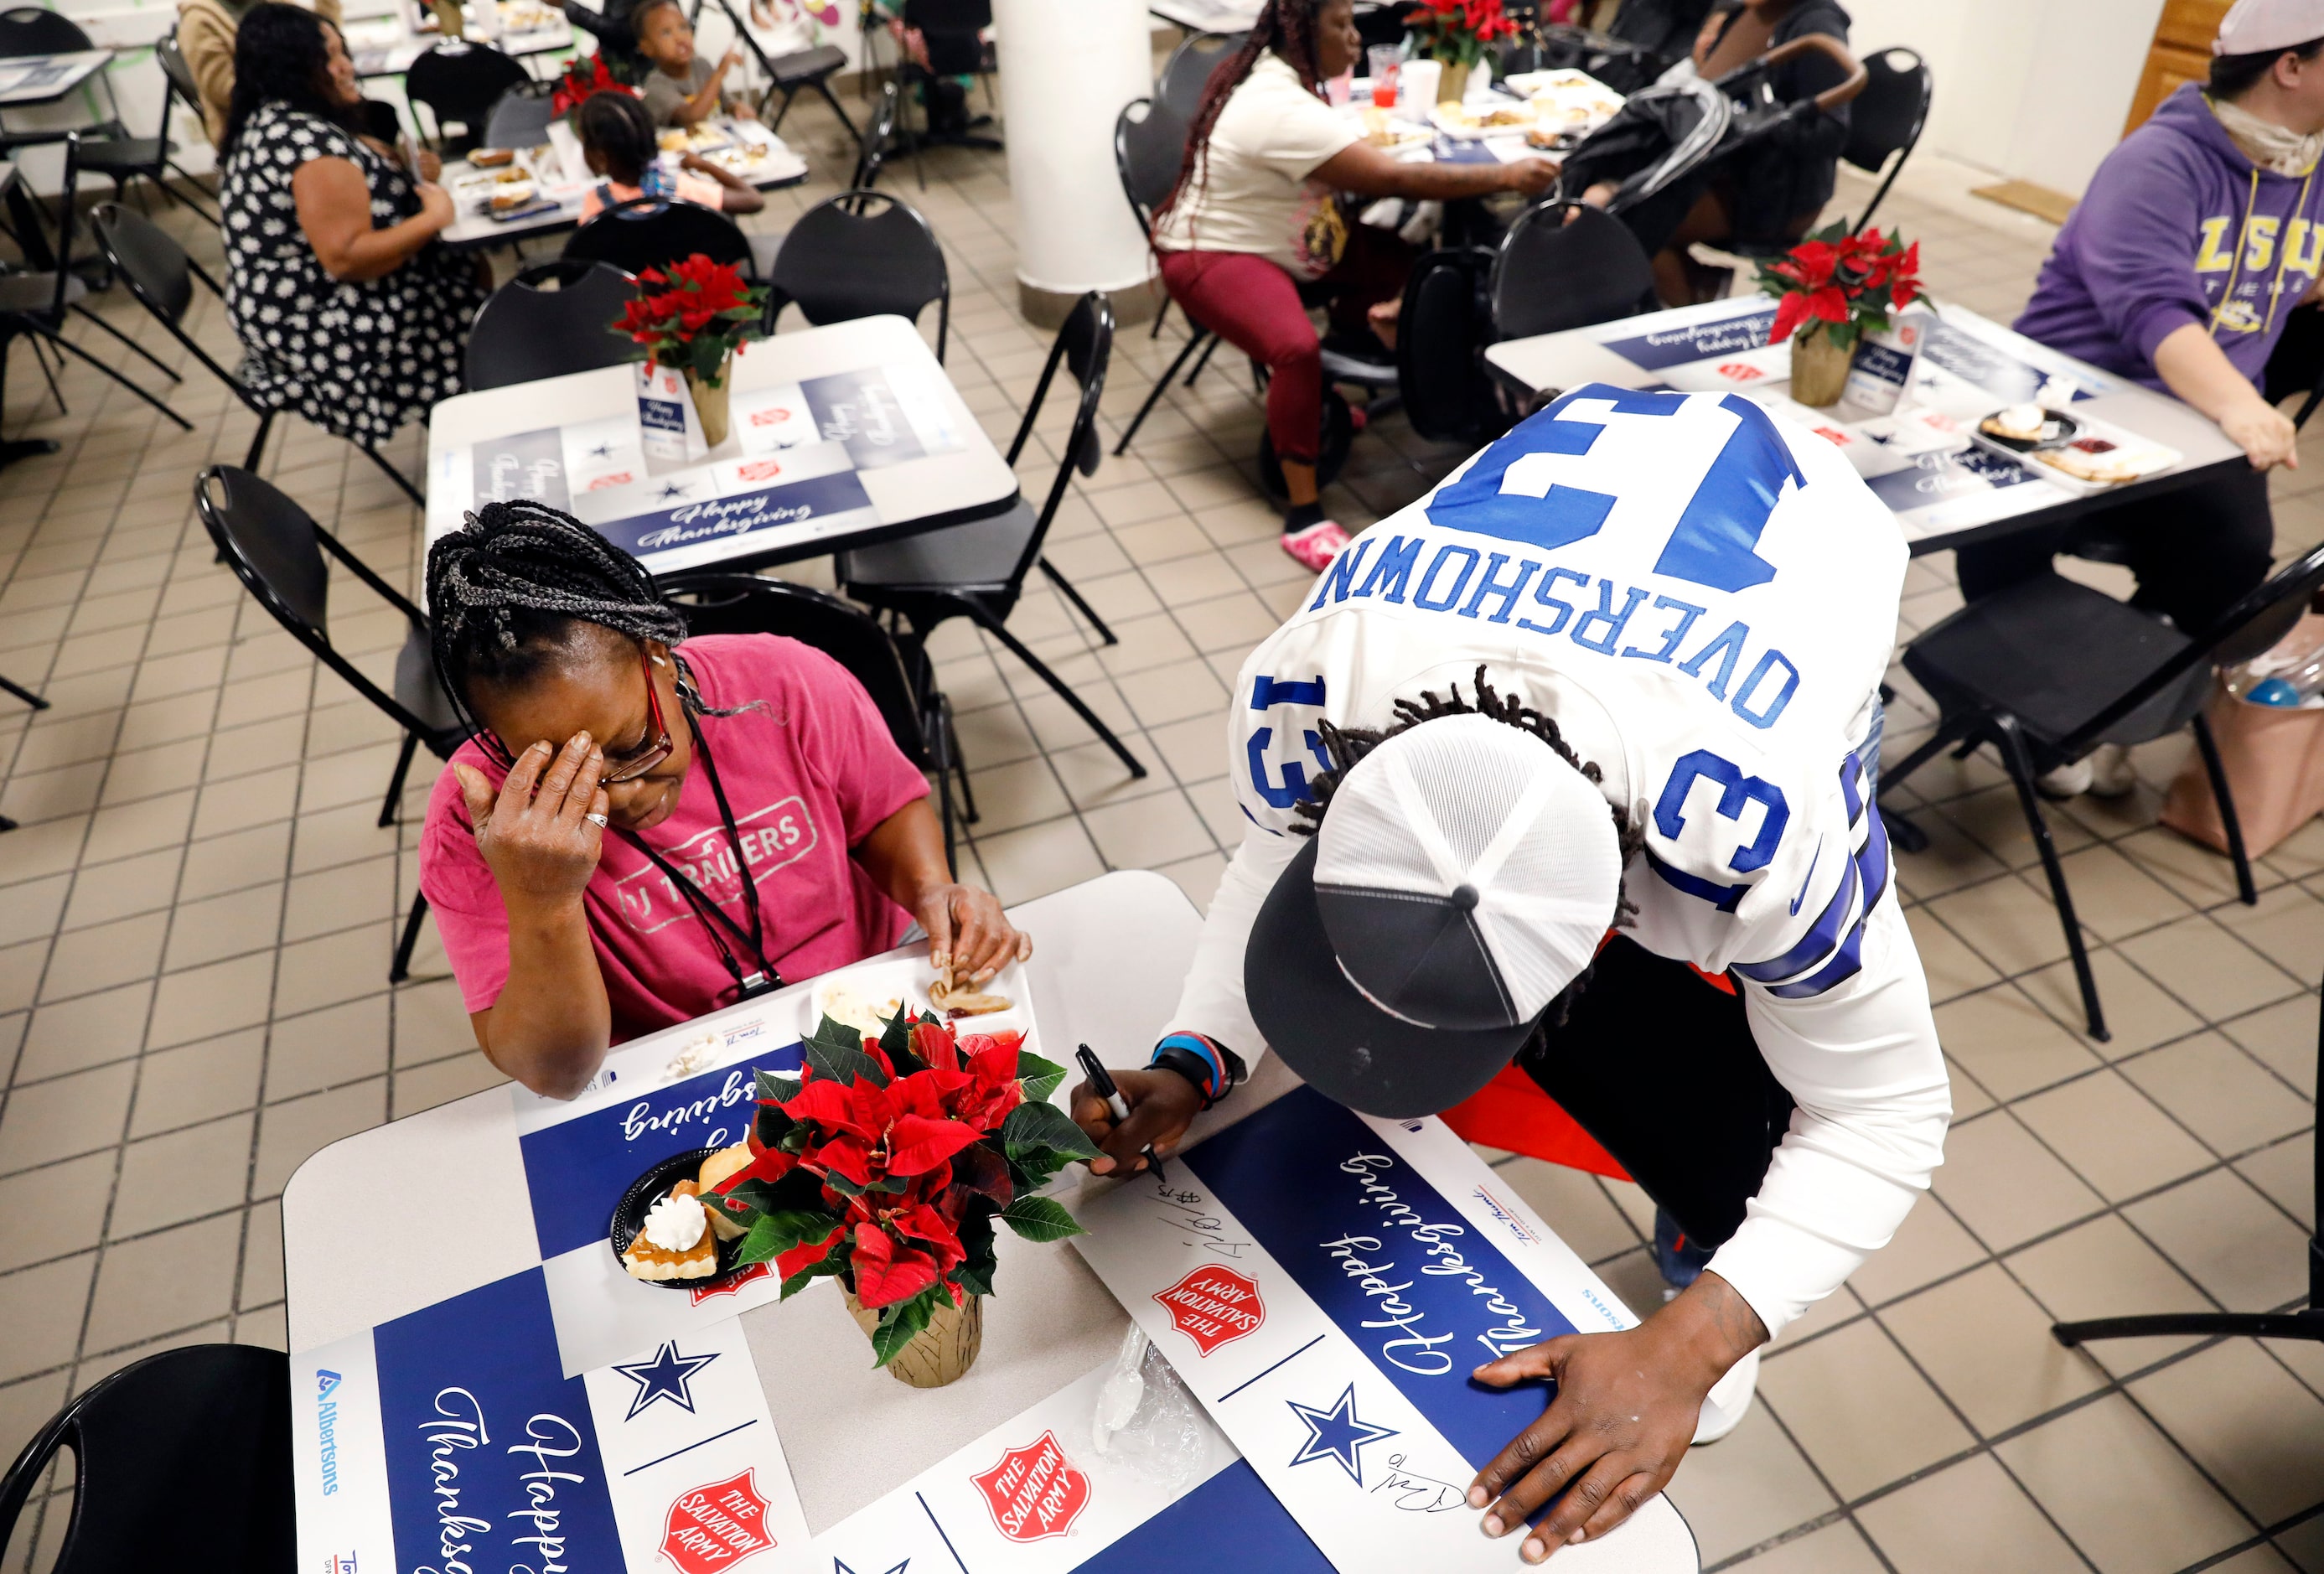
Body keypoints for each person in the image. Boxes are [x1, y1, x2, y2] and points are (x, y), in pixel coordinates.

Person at [1069, 385, 1949, 1559]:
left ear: (1604, 928)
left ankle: (1700, 1231)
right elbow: (1280, 844)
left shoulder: (1763, 837)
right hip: (1540, 558)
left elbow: (1886, 1110)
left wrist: (1689, 1345)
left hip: (1799, 550)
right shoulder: (1319, 677)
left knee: (1747, 1097)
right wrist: (1198, 1050)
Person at [417, 501, 1031, 1100]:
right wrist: (542, 900)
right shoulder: (478, 825)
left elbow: (882, 806)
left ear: (656, 656)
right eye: (565, 778)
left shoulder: (782, 683)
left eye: (636, 744)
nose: (620, 796)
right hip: (681, 1073)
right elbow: (557, 1076)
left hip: (864, 1001)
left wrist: (930, 888)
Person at [1960, 0, 2324, 797]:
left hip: (2193, 426)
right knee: (1997, 536)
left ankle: (2108, 691)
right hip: (2076, 402)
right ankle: (2013, 699)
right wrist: (2240, 408)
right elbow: (2155, 313)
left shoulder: (2310, 163)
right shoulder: (2158, 160)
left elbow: (2291, 273)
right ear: (2290, 66)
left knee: (2233, 560)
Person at [1151, 0, 1560, 573]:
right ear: (1299, 34)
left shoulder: (1283, 78)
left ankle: (1347, 373)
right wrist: (1507, 176)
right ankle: (1303, 514)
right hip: (1212, 254)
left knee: (1417, 271)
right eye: (1340, 27)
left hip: (1291, 239)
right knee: (1294, 350)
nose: (1354, 39)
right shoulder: (1278, 105)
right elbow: (1392, 177)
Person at [218, 5, 484, 448]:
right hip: (316, 326)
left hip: (283, 310)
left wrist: (399, 172)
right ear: (296, 68)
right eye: (332, 58)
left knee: (460, 270)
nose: (347, 67)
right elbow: (348, 258)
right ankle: (472, 428)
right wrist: (433, 218)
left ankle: (469, 420)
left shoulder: (271, 118)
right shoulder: (308, 145)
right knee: (459, 292)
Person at [1567, 0, 1855, 306]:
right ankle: (1691, 285)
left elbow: (1832, 131)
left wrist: (1757, 118)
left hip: (1770, 193)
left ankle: (1681, 319)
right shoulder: (1741, 12)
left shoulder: (1817, 23)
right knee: (1597, 191)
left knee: (1626, 221)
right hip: (1711, 165)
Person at [575, 86, 765, 221]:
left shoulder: (596, 205)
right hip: (685, 279)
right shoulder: (680, 189)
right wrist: (703, 165)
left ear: (601, 158)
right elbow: (753, 200)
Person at [177, 0, 344, 147]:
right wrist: (297, 83)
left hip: (303, 108)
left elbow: (323, 39)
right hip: (250, 127)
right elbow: (226, 93)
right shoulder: (198, 21)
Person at [633, 0, 755, 127]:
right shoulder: (656, 86)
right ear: (647, 48)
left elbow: (725, 103)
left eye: (683, 27)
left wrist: (736, 108)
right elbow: (691, 117)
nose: (680, 38)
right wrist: (719, 73)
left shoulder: (702, 66)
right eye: (666, 33)